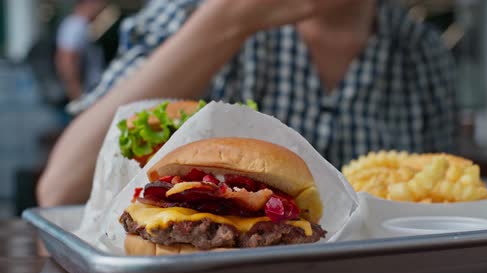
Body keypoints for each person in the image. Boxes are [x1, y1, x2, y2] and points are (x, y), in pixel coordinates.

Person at [37, 0, 457, 207]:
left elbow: (452, 211)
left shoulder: (423, 52)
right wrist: (225, 20)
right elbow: (60, 191)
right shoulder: (190, 12)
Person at [55, 0, 107, 100]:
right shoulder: (75, 26)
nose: (102, 6)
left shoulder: (81, 25)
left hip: (88, 93)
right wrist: (77, 95)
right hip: (83, 94)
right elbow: (66, 61)